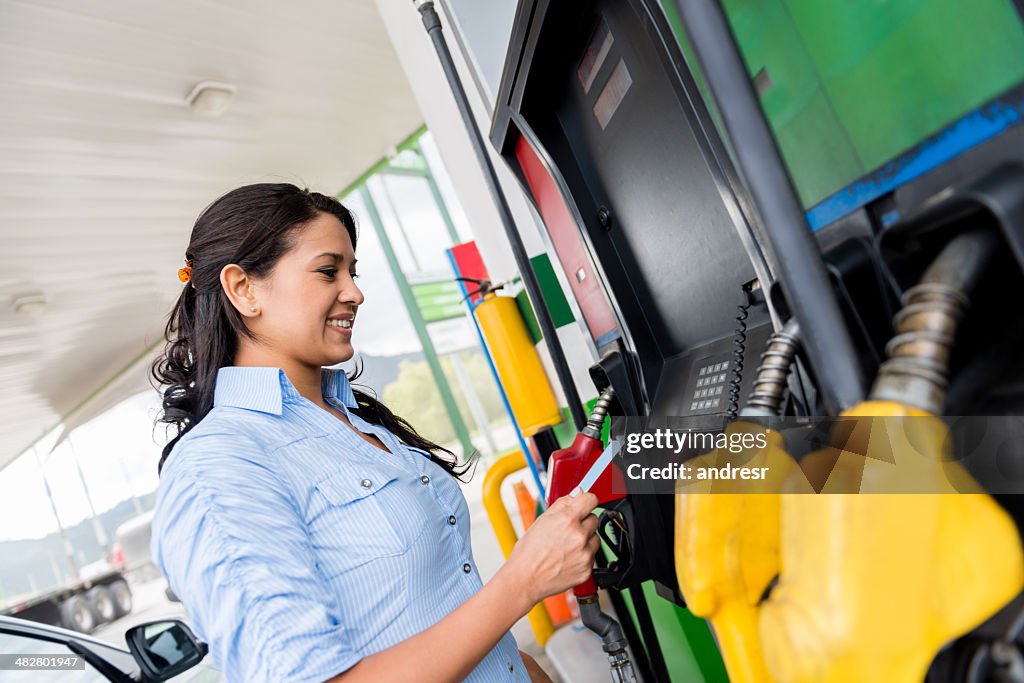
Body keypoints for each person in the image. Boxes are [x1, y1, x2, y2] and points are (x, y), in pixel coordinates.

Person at [150, 183, 600, 683]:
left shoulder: (355, 422)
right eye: (328, 271)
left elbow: (438, 614)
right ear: (243, 289)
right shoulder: (218, 467)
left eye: (353, 271)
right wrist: (523, 582)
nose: (356, 292)